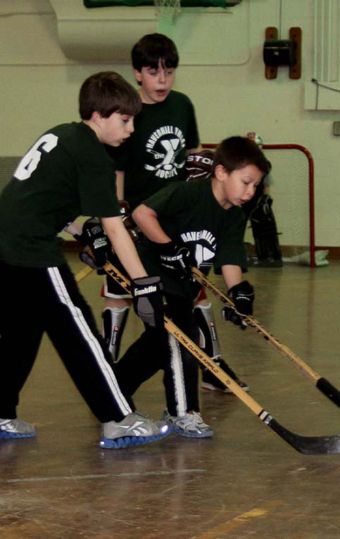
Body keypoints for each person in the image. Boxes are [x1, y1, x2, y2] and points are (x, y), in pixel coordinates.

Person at [0, 71, 169, 448]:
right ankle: (118, 417)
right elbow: (116, 228)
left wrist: (79, 230)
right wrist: (144, 282)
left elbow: (43, 195)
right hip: (31, 249)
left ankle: (1, 412)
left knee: (21, 332)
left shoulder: (62, 133)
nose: (130, 128)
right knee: (78, 331)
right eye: (124, 120)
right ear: (97, 115)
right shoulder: (93, 154)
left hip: (5, 243)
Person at [101, 33, 248, 394]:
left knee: (193, 288)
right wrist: (118, 216)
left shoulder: (182, 105)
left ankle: (211, 363)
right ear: (137, 74)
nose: (162, 79)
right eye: (153, 72)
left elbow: (195, 155)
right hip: (142, 216)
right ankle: (106, 367)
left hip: (179, 216)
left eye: (169, 71)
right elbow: (117, 168)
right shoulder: (128, 113)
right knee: (119, 292)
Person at [114, 135, 269, 438]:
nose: (250, 192)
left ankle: (112, 388)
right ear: (221, 172)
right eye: (245, 182)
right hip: (152, 279)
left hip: (183, 287)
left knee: (156, 346)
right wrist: (167, 246)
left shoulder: (235, 215)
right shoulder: (188, 193)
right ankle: (183, 412)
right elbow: (141, 214)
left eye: (255, 186)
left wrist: (238, 292)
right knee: (182, 342)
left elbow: (229, 256)